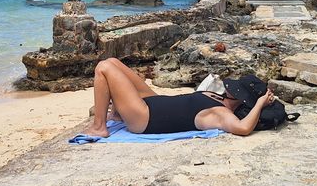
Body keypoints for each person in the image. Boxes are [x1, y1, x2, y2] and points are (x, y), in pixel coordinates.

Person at [85, 57, 276, 138]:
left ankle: (99, 127)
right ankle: (117, 115)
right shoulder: (219, 97)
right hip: (153, 102)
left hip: (145, 119)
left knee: (103, 68)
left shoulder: (221, 113)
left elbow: (242, 128)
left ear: (242, 98)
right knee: (113, 62)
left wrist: (259, 104)